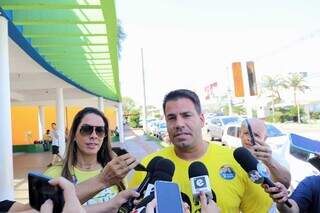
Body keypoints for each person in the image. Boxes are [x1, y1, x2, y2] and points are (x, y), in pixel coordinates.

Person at [129, 89, 274, 213]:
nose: (179, 124)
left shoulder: (236, 161)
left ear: (202, 119)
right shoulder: (150, 167)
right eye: (172, 118)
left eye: (186, 115)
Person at [44, 107, 137, 206]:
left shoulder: (115, 170)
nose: (94, 135)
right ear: (74, 134)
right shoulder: (53, 174)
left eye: (100, 130)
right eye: (86, 129)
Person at [239, 118, 291, 188]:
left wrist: (269, 161)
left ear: (265, 138)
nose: (249, 138)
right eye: (246, 133)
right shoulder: (231, 155)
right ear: (240, 134)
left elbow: (286, 184)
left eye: (256, 135)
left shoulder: (278, 160)